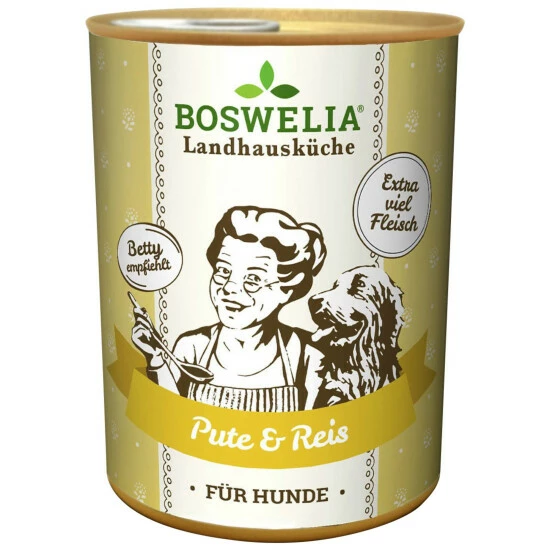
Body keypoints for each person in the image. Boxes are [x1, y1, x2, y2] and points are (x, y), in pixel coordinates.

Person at [131, 206, 328, 411]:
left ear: (287, 290)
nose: (229, 288)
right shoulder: (192, 347)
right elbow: (167, 418)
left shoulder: (307, 354)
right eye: (223, 270)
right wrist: (156, 358)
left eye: (253, 279)